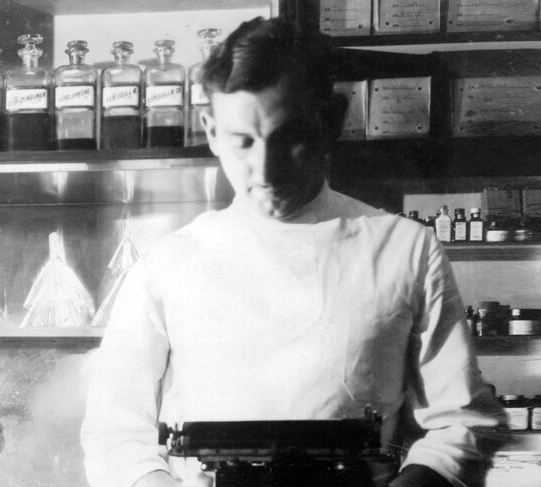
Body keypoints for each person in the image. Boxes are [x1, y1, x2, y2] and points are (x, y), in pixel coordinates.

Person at [81, 17, 505, 487]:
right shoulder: (167, 264)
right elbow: (115, 433)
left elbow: (461, 421)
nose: (265, 169)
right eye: (243, 141)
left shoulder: (405, 249)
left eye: (289, 137)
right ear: (211, 131)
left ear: (332, 122)